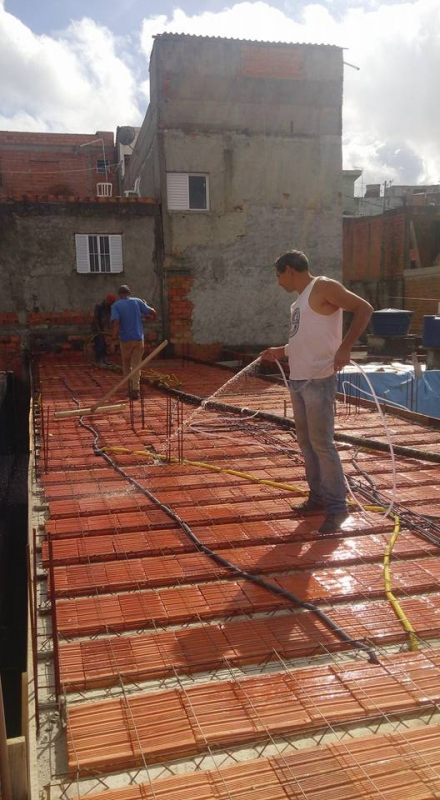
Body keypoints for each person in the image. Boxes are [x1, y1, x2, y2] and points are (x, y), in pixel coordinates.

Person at [260, 250, 373, 534]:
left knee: (322, 445)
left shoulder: (322, 286)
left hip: (319, 379)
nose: (278, 282)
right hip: (298, 380)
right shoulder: (297, 303)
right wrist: (281, 350)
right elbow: (304, 338)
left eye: (278, 276)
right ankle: (317, 497)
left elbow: (364, 309)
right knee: (307, 444)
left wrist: (346, 347)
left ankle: (337, 510)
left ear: (289, 270)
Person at [111, 284, 157, 399]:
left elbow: (116, 322)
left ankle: (129, 388)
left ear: (119, 294)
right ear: (129, 293)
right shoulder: (137, 301)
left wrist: (112, 337)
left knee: (126, 365)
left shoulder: (116, 305)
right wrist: (151, 317)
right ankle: (135, 390)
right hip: (138, 339)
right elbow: (152, 312)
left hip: (125, 340)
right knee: (136, 366)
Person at [92, 294, 116, 365]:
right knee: (100, 344)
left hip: (104, 329)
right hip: (97, 329)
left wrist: (109, 329)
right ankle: (99, 360)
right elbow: (96, 319)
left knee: (105, 344)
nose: (111, 304)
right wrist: (98, 329)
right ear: (107, 300)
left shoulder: (109, 307)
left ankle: (104, 360)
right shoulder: (99, 306)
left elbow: (109, 318)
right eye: (110, 302)